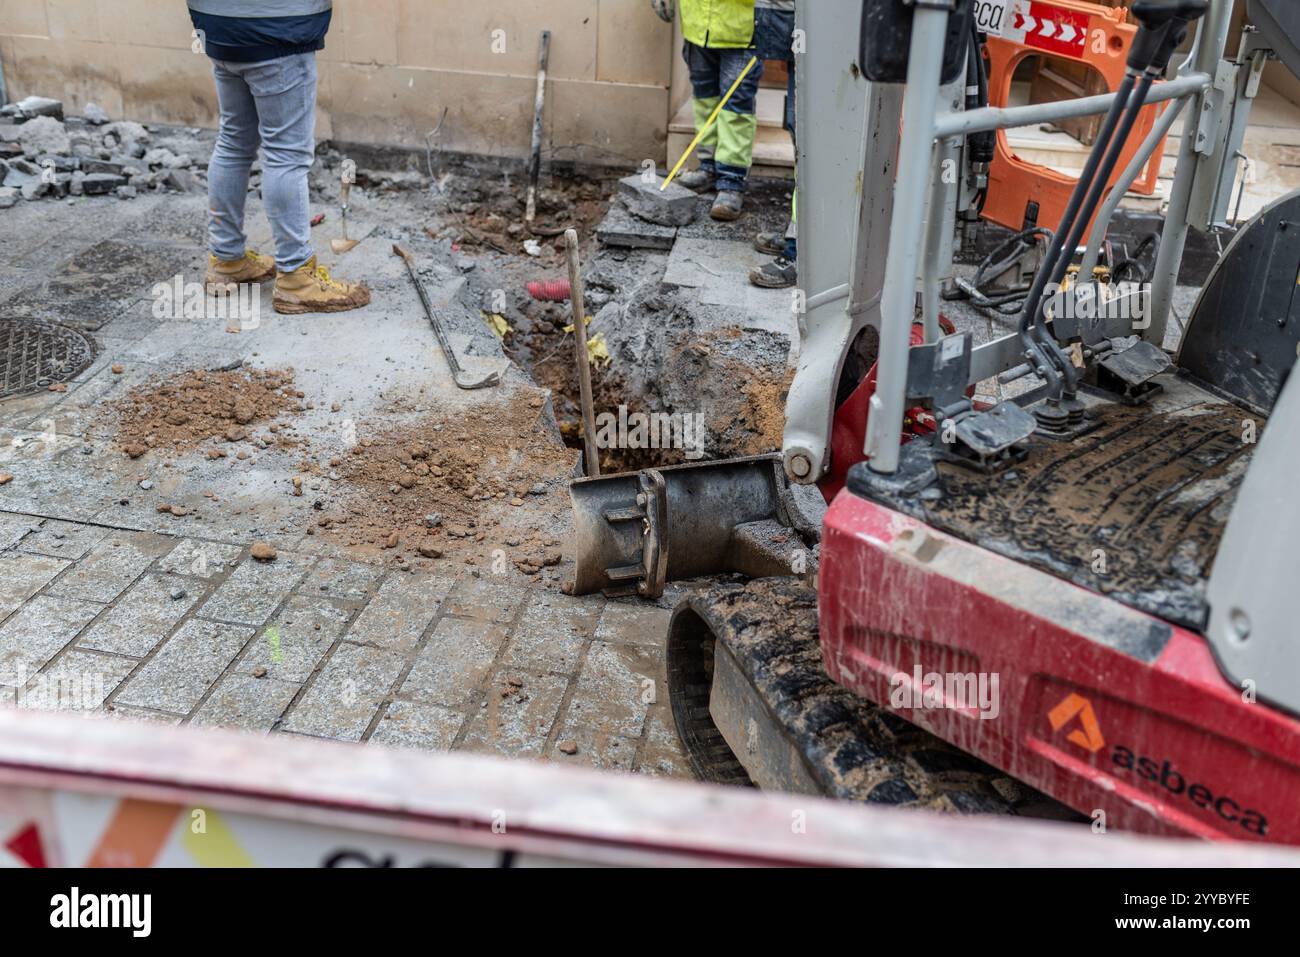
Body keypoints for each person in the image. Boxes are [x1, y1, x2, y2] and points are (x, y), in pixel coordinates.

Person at [188, 0, 369, 314]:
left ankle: (226, 260)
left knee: (233, 141)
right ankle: (296, 278)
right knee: (286, 154)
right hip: (279, 27)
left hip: (218, 24)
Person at [655, 0, 765, 221]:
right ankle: (708, 168)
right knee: (705, 100)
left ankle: (731, 183)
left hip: (741, 30)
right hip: (698, 27)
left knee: (736, 110)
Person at [749, 0, 797, 289]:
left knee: (817, 151)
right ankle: (797, 235)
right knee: (801, 138)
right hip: (806, 34)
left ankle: (803, 253)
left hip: (834, 48)